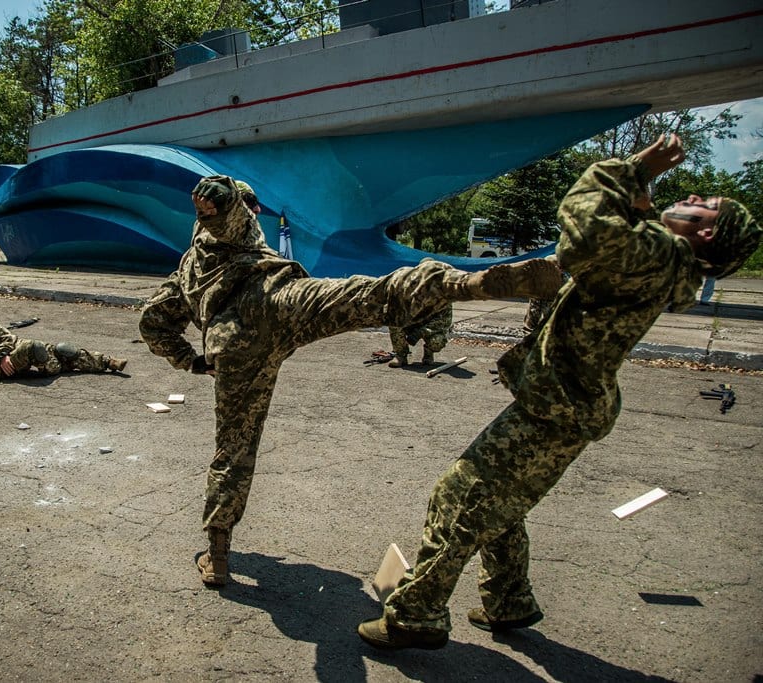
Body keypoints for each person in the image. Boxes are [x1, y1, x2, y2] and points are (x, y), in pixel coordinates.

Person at [357, 133, 761, 651]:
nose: (695, 197)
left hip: (557, 409)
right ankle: (509, 601)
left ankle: (415, 617)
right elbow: (603, 242)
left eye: (707, 205)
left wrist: (634, 169)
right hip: (562, 403)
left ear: (706, 234)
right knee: (499, 504)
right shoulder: (661, 258)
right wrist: (637, 201)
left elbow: (583, 230)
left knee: (459, 499)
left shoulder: (661, 255)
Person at [139, 175, 563, 587]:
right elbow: (231, 214)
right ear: (242, 212)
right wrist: (222, 201)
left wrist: (192, 362)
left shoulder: (190, 268)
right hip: (279, 302)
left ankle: (217, 554)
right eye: (249, 208)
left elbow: (152, 322)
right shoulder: (241, 234)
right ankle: (463, 282)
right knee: (366, 296)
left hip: (235, 348)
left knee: (233, 450)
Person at [0, 315, 127, 383]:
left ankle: (107, 362)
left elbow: (4, 336)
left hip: (10, 354)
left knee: (62, 349)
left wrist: (4, 354)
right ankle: (55, 367)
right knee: (35, 348)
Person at [387, 307, 453, 367]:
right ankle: (400, 355)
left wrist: (419, 333)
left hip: (429, 327)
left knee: (437, 341)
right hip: (411, 323)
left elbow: (443, 321)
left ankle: (428, 353)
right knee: (395, 323)